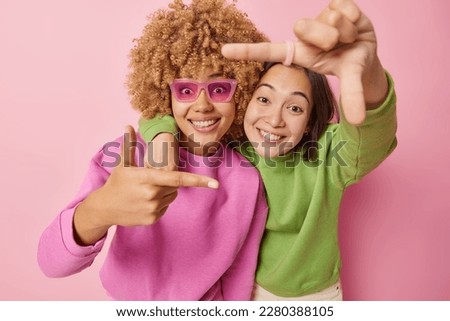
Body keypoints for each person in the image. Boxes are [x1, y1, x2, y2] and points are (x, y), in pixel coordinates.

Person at [139, 0, 397, 300]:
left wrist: (368, 71)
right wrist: (161, 136)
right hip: (236, 293)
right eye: (264, 100)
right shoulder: (230, 144)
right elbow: (164, 109)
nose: (275, 120)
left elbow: (372, 136)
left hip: (312, 298)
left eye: (295, 107)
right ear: (244, 98)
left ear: (311, 120)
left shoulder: (329, 155)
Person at [37, 0, 269, 301]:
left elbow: (240, 274)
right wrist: (100, 209)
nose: (202, 104)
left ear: (243, 90)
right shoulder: (126, 156)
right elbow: (50, 264)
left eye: (219, 88)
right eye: (185, 90)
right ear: (164, 94)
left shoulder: (249, 179)